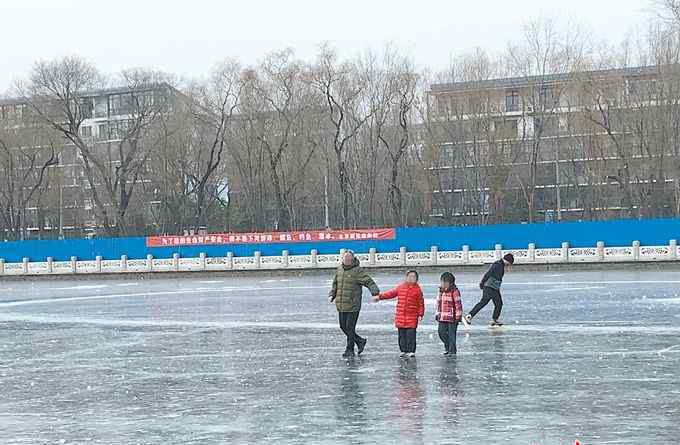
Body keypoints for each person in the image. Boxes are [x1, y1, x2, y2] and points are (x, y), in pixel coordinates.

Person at [329, 251, 380, 358]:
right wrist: (332, 294)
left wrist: (375, 293)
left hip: (353, 304)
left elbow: (369, 282)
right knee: (343, 326)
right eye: (345, 258)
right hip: (341, 304)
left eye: (349, 258)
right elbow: (336, 283)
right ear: (342, 259)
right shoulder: (339, 269)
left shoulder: (358, 271)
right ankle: (360, 341)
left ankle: (350, 349)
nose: (347, 260)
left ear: (353, 259)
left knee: (350, 327)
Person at [373, 270, 424, 358]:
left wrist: (420, 314)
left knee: (410, 335)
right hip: (400, 317)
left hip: (412, 317)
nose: (411, 279)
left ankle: (411, 350)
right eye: (410, 276)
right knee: (402, 335)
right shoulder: (401, 287)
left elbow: (421, 303)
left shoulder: (418, 290)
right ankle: (403, 350)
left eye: (414, 277)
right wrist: (380, 297)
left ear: (417, 279)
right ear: (406, 277)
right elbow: (391, 294)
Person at [465, 253, 514, 326]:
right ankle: (469, 315)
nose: (509, 265)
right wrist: (482, 283)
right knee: (484, 302)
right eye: (509, 263)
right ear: (507, 260)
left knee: (499, 304)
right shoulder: (497, 265)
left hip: (495, 288)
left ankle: (494, 320)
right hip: (489, 287)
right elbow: (488, 274)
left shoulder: (501, 265)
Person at [435, 272, 462, 355]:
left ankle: (452, 350)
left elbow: (458, 304)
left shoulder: (455, 291)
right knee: (441, 333)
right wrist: (437, 313)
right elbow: (438, 303)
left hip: (452, 318)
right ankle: (448, 346)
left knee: (451, 335)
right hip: (442, 317)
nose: (442, 283)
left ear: (448, 283)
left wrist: (458, 316)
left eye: (443, 282)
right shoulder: (441, 291)